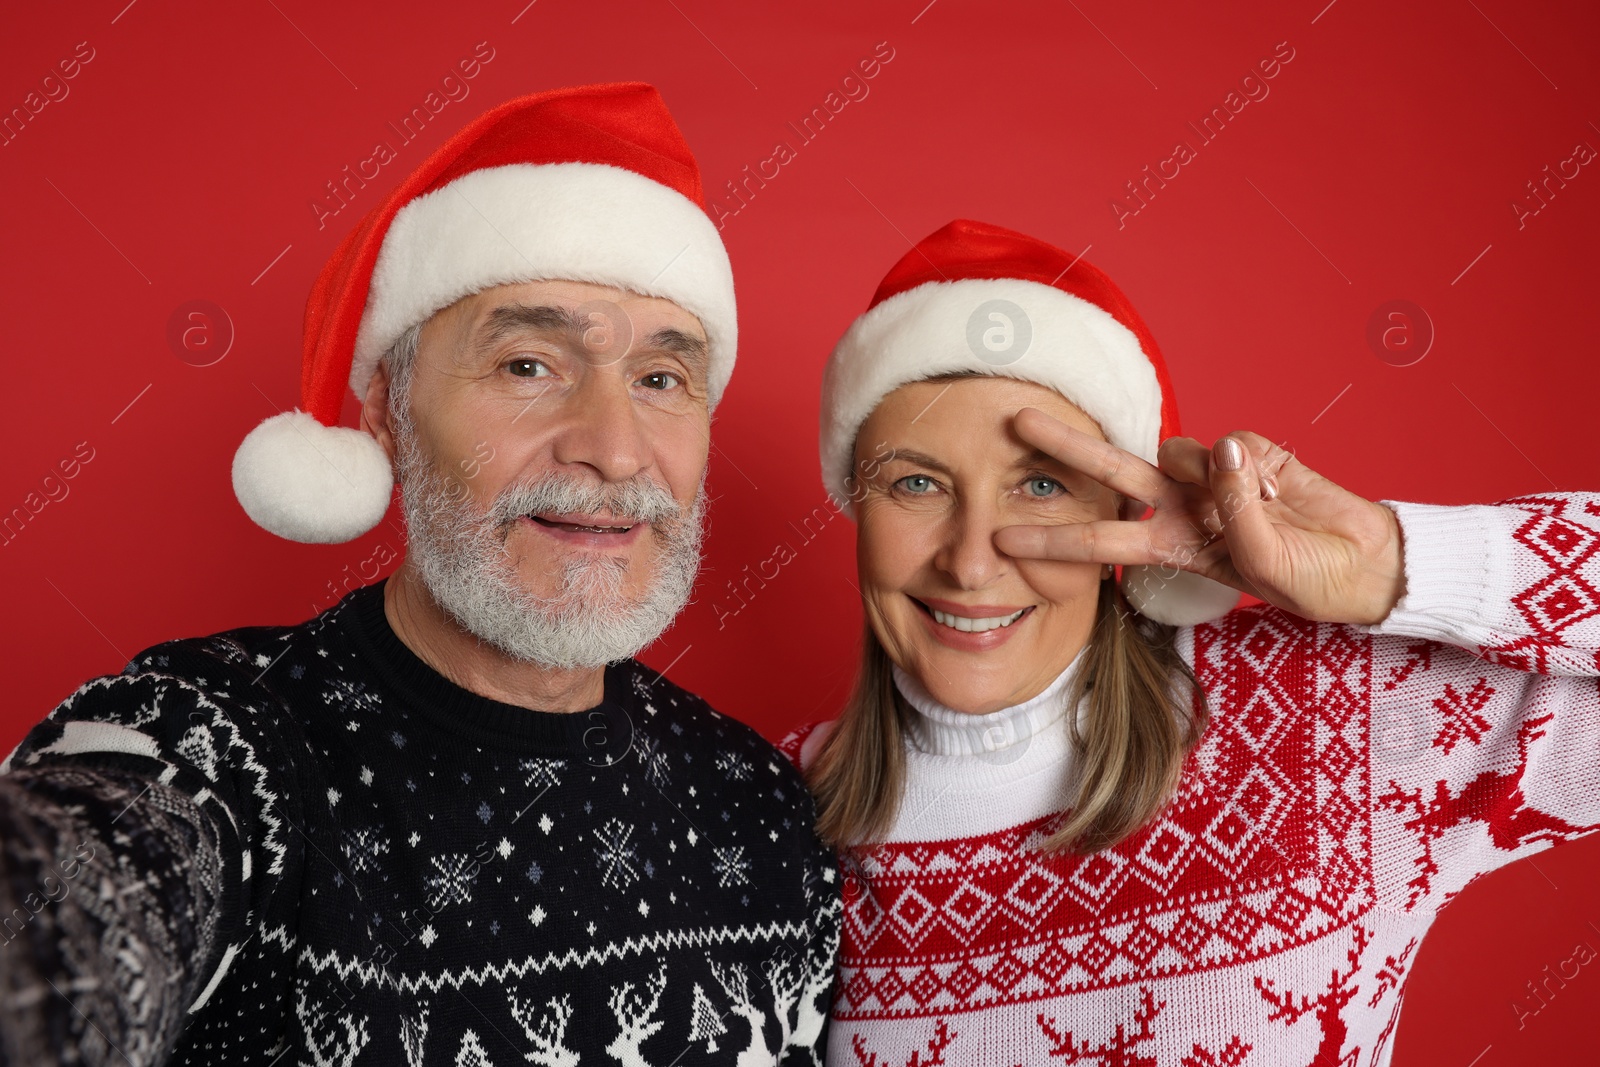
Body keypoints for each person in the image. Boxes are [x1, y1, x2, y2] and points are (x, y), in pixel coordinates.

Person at [0, 84, 838, 1066]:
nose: (615, 449)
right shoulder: (212, 744)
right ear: (387, 413)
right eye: (528, 364)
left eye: (662, 378)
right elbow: (81, 892)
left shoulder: (765, 802)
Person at [782, 218, 1600, 1066]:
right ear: (855, 509)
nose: (971, 558)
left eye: (1042, 484)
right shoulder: (762, 815)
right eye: (916, 482)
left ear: (1122, 518)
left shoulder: (1328, 719)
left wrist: (1388, 564)